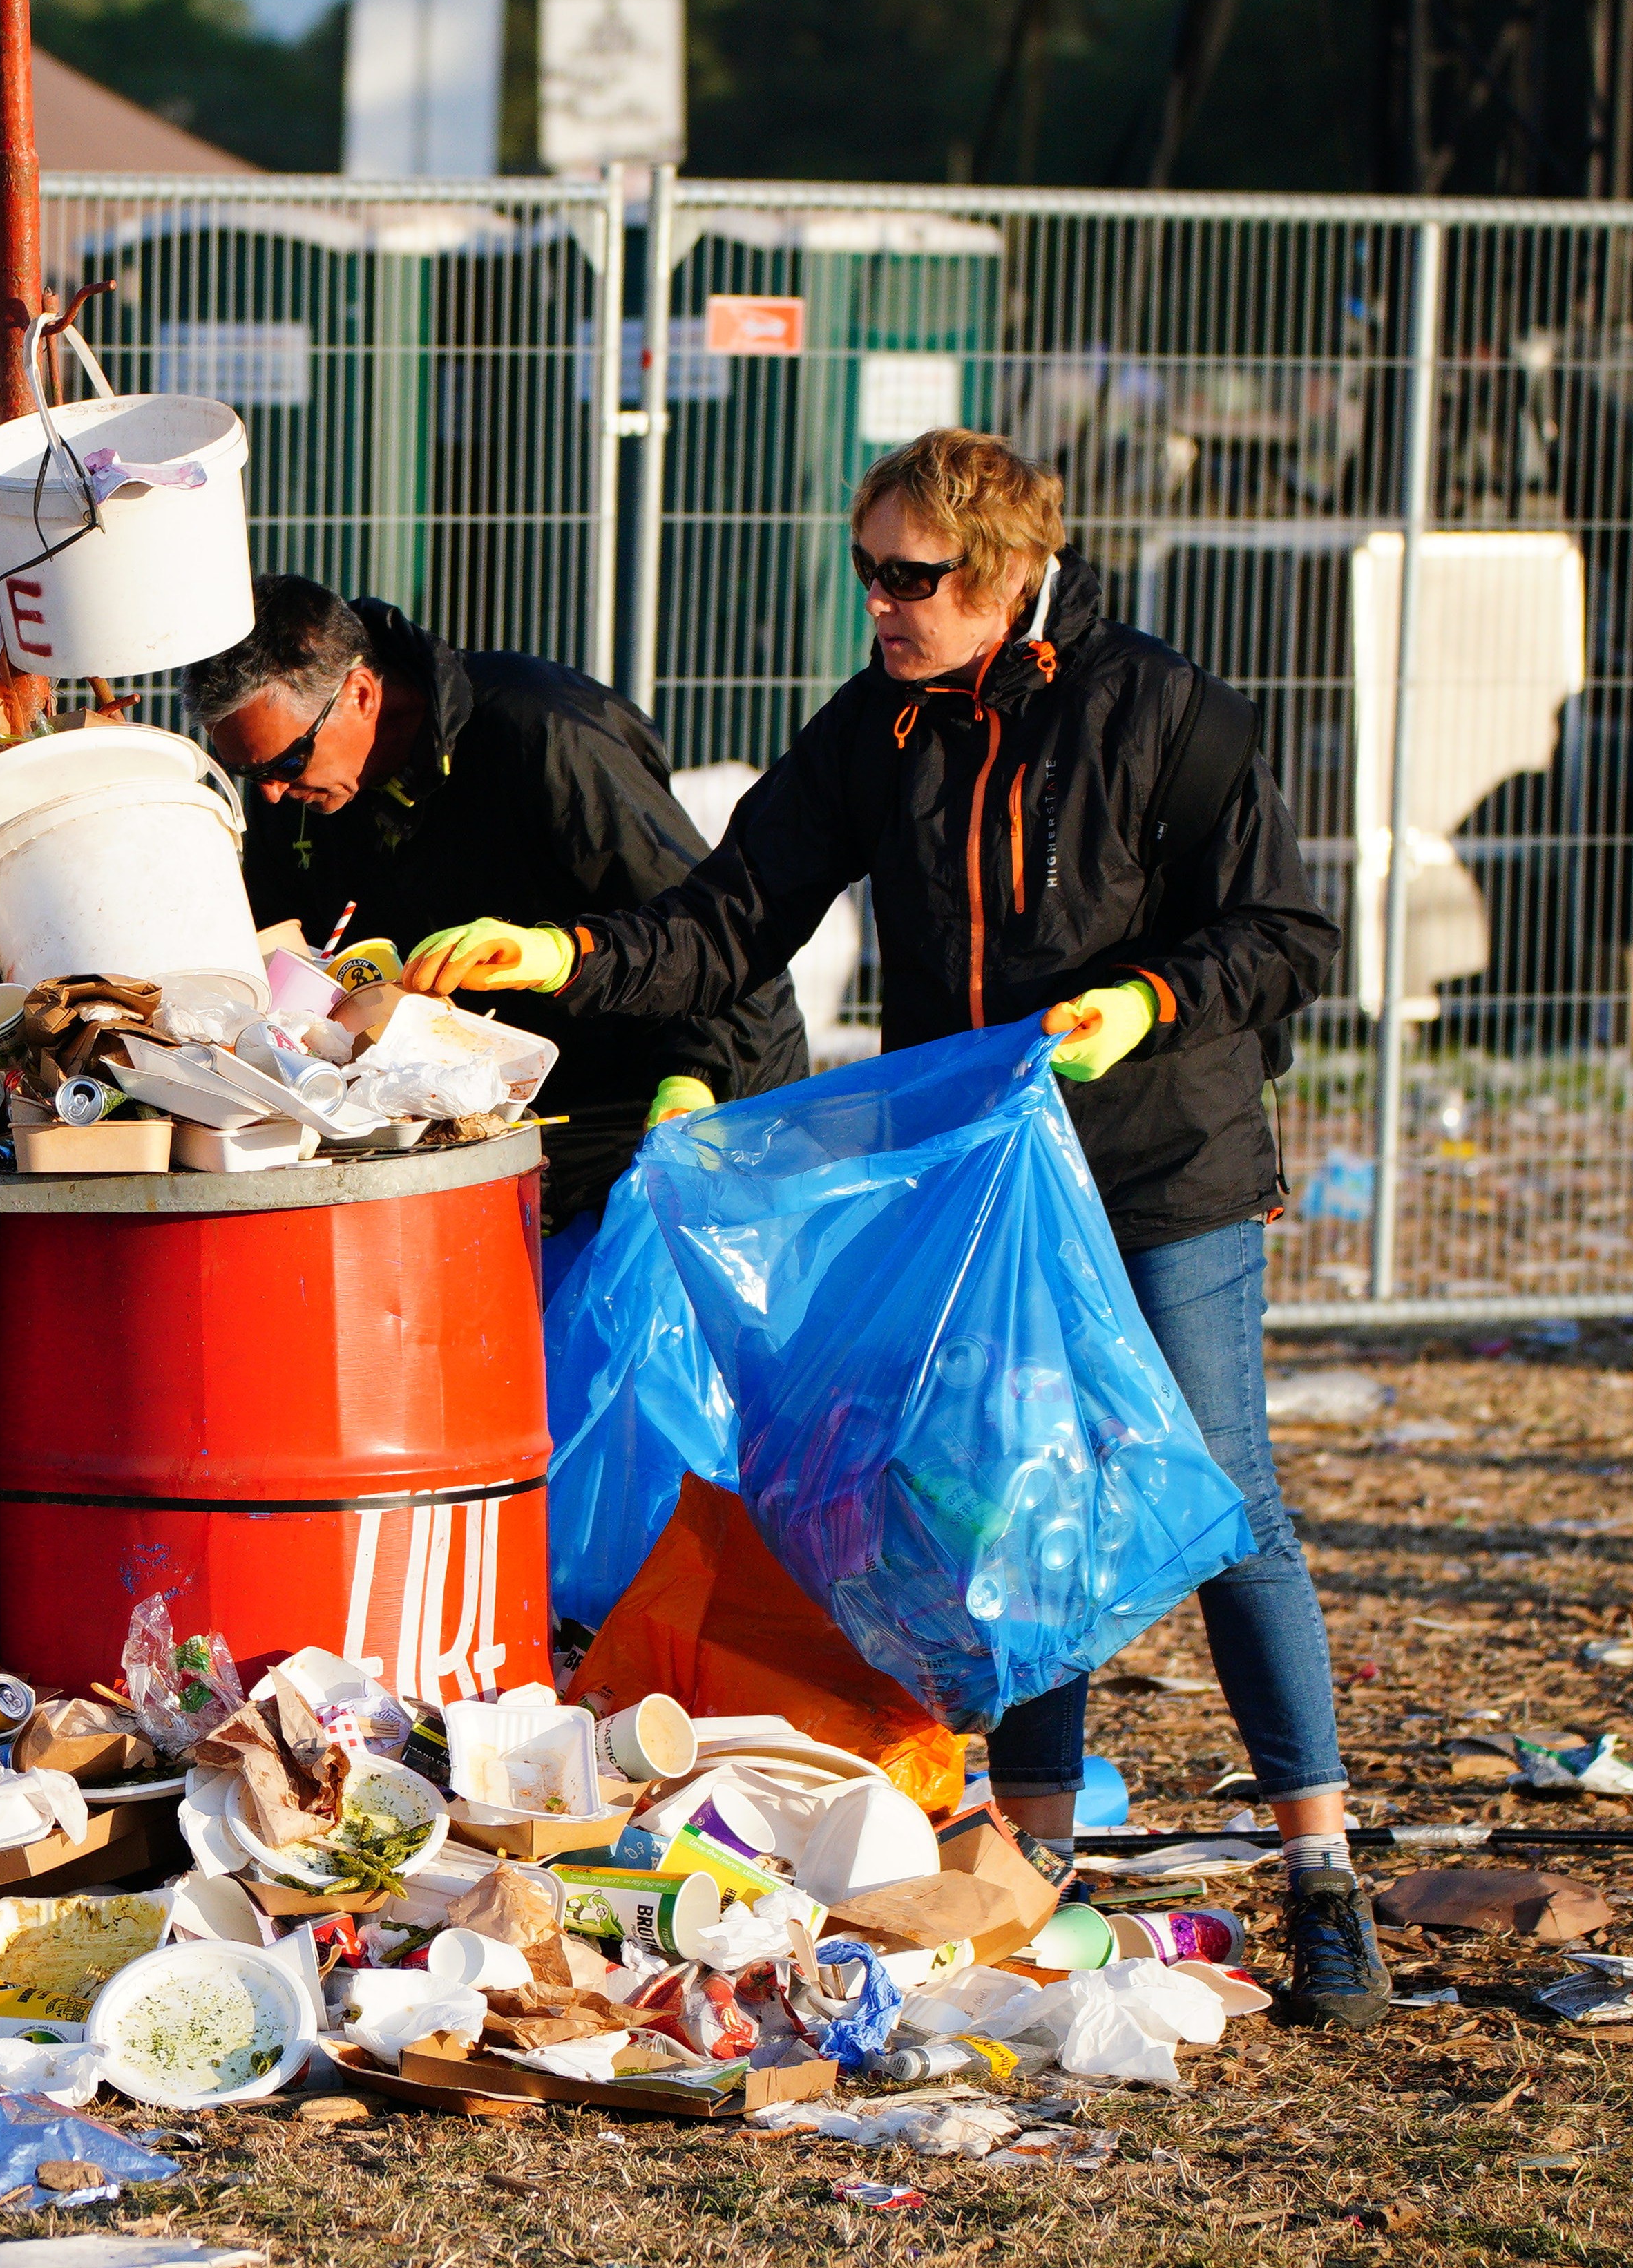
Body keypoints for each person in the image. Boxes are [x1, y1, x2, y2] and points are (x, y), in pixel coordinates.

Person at [399, 428, 1379, 2027]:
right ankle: (1039, 1865)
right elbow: (730, 917)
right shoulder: (880, 731)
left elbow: (1284, 929)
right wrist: (553, 954)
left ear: (999, 574)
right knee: (1024, 1510)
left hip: (1159, 1171)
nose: (883, 606)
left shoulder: (1158, 710)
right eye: (867, 573)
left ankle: (1321, 1867)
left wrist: (1150, 998)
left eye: (912, 578)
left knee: (1229, 1492)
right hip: (980, 1183)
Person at [180, 575, 809, 1264]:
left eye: (286, 761)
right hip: (516, 1109)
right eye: (249, 774)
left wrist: (695, 1078)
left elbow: (717, 939)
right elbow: (264, 944)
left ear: (359, 693)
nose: (272, 793)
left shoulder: (546, 735)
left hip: (675, 1093)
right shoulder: (305, 792)